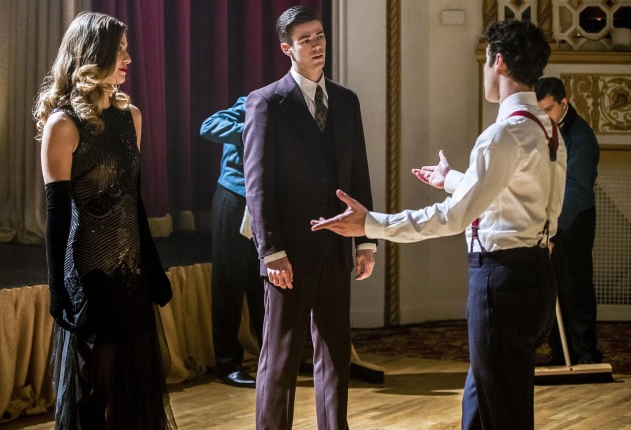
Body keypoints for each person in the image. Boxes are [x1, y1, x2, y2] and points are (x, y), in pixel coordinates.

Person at [311, 19, 567, 430]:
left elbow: (453, 217)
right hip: (536, 273)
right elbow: (512, 194)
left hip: (501, 281)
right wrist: (450, 180)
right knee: (481, 402)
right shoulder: (547, 128)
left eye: (486, 60)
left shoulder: (503, 134)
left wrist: (371, 223)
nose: (485, 69)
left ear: (499, 62)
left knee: (503, 411)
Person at [34, 12, 176, 429]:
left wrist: (153, 268)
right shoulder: (63, 124)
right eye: (120, 50)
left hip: (132, 273)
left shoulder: (131, 117)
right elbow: (58, 214)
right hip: (90, 274)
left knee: (134, 391)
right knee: (97, 387)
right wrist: (56, 287)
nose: (129, 58)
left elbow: (135, 202)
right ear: (94, 55)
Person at [243, 5, 377, 429]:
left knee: (336, 353)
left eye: (319, 36)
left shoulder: (347, 100)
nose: (317, 45)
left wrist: (366, 239)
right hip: (288, 253)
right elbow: (258, 185)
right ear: (287, 48)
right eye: (306, 40)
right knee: (280, 358)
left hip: (337, 247)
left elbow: (358, 172)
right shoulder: (266, 102)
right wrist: (271, 252)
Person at [536, 77, 602, 365]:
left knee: (575, 287)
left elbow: (575, 190)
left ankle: (586, 355)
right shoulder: (540, 129)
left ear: (564, 103)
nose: (543, 117)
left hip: (574, 221)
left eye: (548, 109)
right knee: (552, 288)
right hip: (548, 219)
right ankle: (561, 353)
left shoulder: (582, 137)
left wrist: (552, 230)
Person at [200, 97, 263, 388]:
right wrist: (254, 130)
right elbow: (209, 126)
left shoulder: (299, 111)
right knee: (229, 284)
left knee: (265, 284)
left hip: (267, 204)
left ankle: (274, 358)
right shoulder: (256, 101)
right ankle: (227, 365)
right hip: (235, 199)